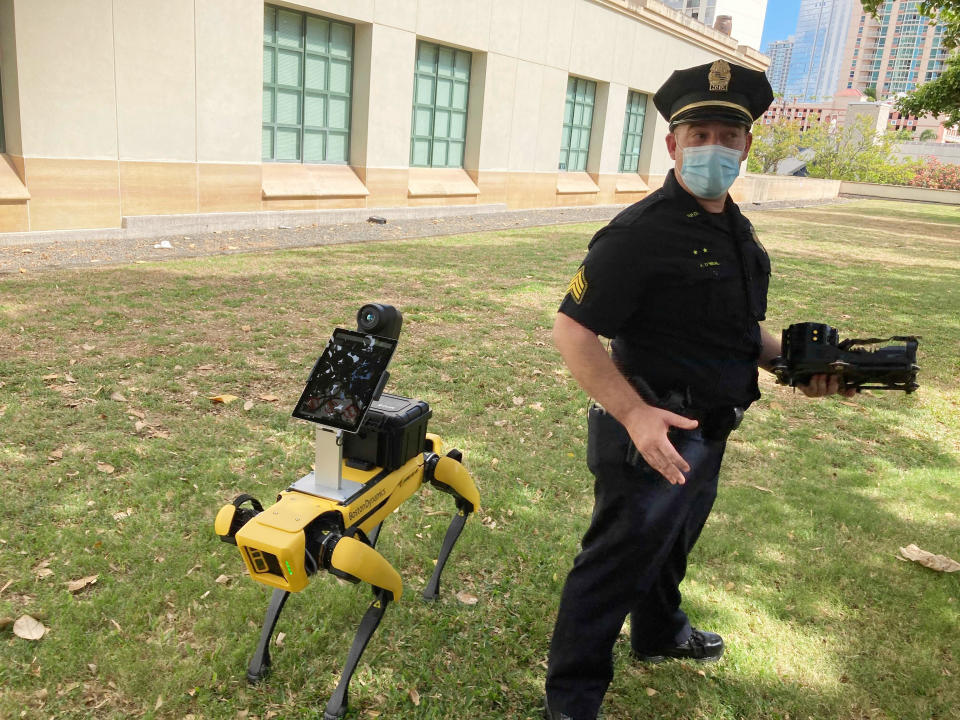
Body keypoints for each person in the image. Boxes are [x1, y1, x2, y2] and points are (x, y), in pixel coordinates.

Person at [543, 59, 855, 720]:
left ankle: (659, 636)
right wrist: (632, 415)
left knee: (670, 548)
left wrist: (801, 365)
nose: (713, 145)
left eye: (727, 134)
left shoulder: (732, 226)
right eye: (699, 132)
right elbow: (572, 329)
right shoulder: (640, 234)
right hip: (652, 435)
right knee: (611, 571)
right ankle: (570, 704)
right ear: (672, 144)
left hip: (711, 427)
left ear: (746, 146)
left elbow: (739, 333)